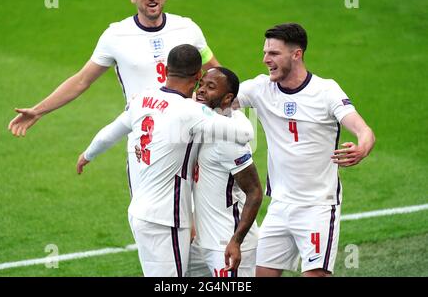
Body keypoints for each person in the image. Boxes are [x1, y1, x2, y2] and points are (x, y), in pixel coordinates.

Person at [7, 0, 219, 192]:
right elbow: (82, 80)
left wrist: (229, 105)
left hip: (189, 133)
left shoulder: (187, 28)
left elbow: (216, 74)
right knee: (145, 214)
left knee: (199, 213)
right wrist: (38, 111)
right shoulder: (116, 36)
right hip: (144, 140)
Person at [76, 44, 253, 277]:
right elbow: (244, 134)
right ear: (198, 75)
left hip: (139, 211)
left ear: (166, 69)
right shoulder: (190, 111)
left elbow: (111, 132)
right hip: (166, 218)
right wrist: (236, 112)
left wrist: (87, 155)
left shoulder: (143, 98)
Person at [234, 23, 375, 277]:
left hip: (317, 208)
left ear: (296, 54)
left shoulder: (326, 91)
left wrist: (362, 147)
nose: (266, 59)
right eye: (266, 52)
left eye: (274, 53)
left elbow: (364, 130)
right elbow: (219, 100)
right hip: (279, 206)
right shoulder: (260, 88)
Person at [185, 68, 263, 277]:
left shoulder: (229, 140)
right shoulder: (204, 120)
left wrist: (236, 242)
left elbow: (255, 192)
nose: (201, 91)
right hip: (201, 241)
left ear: (228, 98)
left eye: (210, 87)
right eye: (201, 84)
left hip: (227, 243)